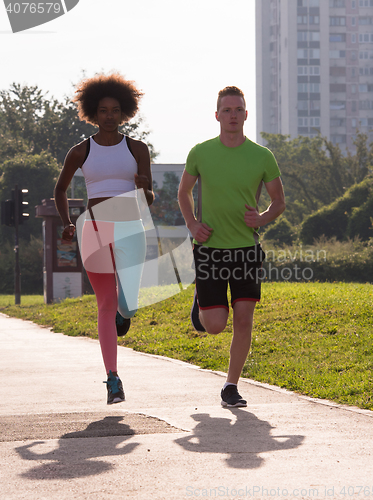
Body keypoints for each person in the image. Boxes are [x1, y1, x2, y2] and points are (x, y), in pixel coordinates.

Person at [178, 86, 285, 408]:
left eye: (238, 109)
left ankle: (231, 386)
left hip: (246, 249)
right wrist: (193, 224)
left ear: (246, 114)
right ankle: (201, 302)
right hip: (209, 248)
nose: (233, 115)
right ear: (217, 116)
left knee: (244, 320)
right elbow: (183, 193)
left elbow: (279, 202)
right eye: (227, 110)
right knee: (214, 326)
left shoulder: (262, 156)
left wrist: (263, 217)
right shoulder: (201, 152)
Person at [54, 73, 154, 404]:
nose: (109, 115)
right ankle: (112, 378)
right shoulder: (80, 152)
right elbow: (61, 189)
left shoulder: (138, 149)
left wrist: (141, 188)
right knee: (105, 303)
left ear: (124, 111)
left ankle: (123, 314)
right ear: (93, 114)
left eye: (114, 110)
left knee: (127, 303)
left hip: (130, 227)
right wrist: (68, 222)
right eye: (102, 110)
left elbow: (149, 197)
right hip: (94, 228)